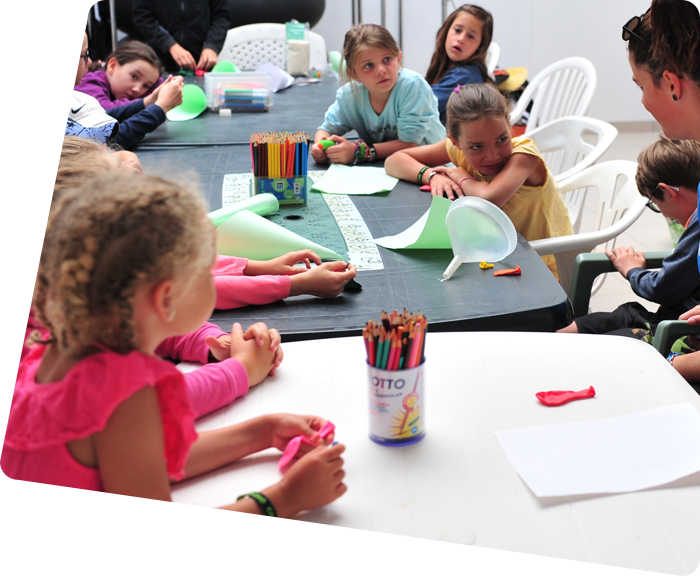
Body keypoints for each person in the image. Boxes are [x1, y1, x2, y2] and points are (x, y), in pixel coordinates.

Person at [0, 169, 346, 573]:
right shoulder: (125, 389)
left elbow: (139, 461)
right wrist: (285, 499)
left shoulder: (53, 349)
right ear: (167, 298)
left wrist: (262, 431)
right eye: (205, 270)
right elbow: (163, 545)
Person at [0, 137, 282, 417]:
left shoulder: (69, 296)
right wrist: (241, 370)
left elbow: (140, 323)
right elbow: (143, 411)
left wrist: (214, 345)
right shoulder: (22, 344)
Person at [384, 83, 573, 276]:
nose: (493, 155)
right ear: (455, 142)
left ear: (509, 125)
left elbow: (489, 200)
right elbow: (394, 161)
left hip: (543, 268)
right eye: (477, 147)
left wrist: (461, 177)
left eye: (501, 140)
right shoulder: (455, 148)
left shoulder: (524, 155)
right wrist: (432, 176)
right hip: (491, 257)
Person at [557, 136, 700, 339]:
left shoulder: (697, 225)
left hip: (677, 333)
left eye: (655, 205)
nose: (666, 215)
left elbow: (663, 288)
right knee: (599, 321)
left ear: (667, 192)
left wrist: (633, 271)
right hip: (665, 320)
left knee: (603, 338)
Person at [0, 8, 183, 148]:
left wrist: (148, 102)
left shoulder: (36, 86)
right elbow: (103, 143)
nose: (89, 62)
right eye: (83, 55)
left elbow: (98, 118)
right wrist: (160, 108)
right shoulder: (42, 104)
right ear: (54, 65)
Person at [311, 24, 445, 166]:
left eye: (387, 59)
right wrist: (320, 147)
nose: (381, 70)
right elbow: (326, 129)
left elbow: (409, 144)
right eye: (369, 65)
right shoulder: (349, 96)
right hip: (389, 170)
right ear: (354, 74)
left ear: (398, 58)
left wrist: (358, 151)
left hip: (435, 169)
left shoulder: (412, 86)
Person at [425, 4, 493, 124]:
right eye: (457, 30)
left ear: (480, 47)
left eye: (471, 36)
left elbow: (423, 106)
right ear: (446, 30)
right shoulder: (449, 66)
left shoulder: (465, 75)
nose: (461, 39)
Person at [132, 0, 230, 72]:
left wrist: (212, 46)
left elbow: (221, 16)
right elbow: (142, 18)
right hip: (159, 63)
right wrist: (170, 45)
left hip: (201, 63)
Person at [69, 40, 165, 110]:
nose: (137, 89)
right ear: (112, 66)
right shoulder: (90, 82)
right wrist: (146, 101)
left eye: (146, 85)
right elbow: (105, 111)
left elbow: (158, 87)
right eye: (134, 76)